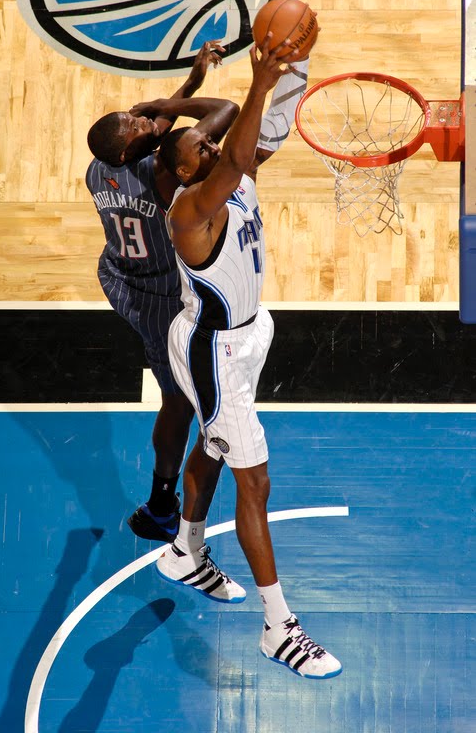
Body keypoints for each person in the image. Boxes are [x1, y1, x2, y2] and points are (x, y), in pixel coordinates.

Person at [155, 34, 342, 680]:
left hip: (247, 333)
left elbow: (264, 130)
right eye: (197, 148)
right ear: (181, 171)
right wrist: (258, 82)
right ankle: (278, 628)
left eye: (209, 143)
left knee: (212, 444)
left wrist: (294, 65)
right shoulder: (188, 209)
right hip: (214, 350)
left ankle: (183, 551)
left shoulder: (229, 177)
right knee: (254, 482)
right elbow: (238, 144)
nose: (209, 145)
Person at [86, 42, 239, 544]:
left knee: (182, 392)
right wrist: (174, 105)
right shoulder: (161, 175)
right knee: (177, 401)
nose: (142, 118)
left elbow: (157, 137)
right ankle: (160, 505)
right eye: (136, 125)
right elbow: (222, 115)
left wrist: (189, 83)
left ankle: (164, 496)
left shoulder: (99, 169)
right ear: (138, 150)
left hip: (121, 274)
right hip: (156, 295)